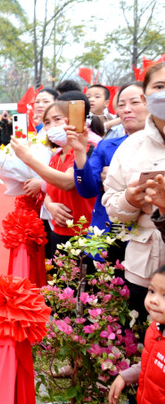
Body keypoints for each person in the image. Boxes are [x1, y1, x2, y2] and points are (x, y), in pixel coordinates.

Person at [103, 62, 165, 323]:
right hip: (146, 268)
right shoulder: (131, 147)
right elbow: (112, 207)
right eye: (159, 87)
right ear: (146, 96)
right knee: (144, 340)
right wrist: (129, 200)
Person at [69, 82, 147, 266]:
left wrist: (118, 177)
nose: (127, 110)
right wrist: (80, 153)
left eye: (135, 102)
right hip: (106, 237)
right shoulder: (106, 146)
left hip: (145, 239)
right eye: (121, 105)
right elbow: (87, 190)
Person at [12, 102, 95, 259]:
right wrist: (50, 205)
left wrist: (28, 159)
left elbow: (67, 182)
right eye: (47, 122)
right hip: (58, 231)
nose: (52, 127)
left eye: (58, 119)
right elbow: (50, 188)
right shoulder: (56, 156)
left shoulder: (85, 150)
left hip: (83, 234)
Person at [108, 263, 165, 404]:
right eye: (152, 291)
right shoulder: (155, 328)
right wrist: (125, 376)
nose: (153, 300)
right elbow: (150, 362)